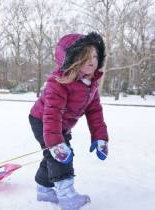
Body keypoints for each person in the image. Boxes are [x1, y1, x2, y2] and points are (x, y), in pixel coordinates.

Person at [28, 32, 109, 210]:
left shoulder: (90, 83)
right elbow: (52, 113)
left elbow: (95, 111)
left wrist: (100, 137)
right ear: (71, 59)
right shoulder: (58, 83)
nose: (92, 61)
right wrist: (56, 143)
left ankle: (44, 189)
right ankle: (66, 196)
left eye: (95, 56)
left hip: (60, 124)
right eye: (85, 57)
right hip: (43, 120)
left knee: (51, 155)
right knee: (60, 155)